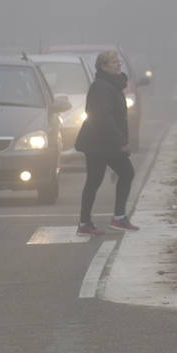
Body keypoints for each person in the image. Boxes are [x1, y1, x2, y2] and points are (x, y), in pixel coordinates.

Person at [74, 50, 139, 234]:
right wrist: (121, 141)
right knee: (124, 173)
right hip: (100, 143)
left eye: (118, 61)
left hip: (102, 142)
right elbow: (103, 118)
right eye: (113, 62)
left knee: (96, 180)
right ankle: (116, 218)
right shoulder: (102, 87)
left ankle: (86, 223)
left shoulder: (111, 85)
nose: (118, 64)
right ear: (103, 66)